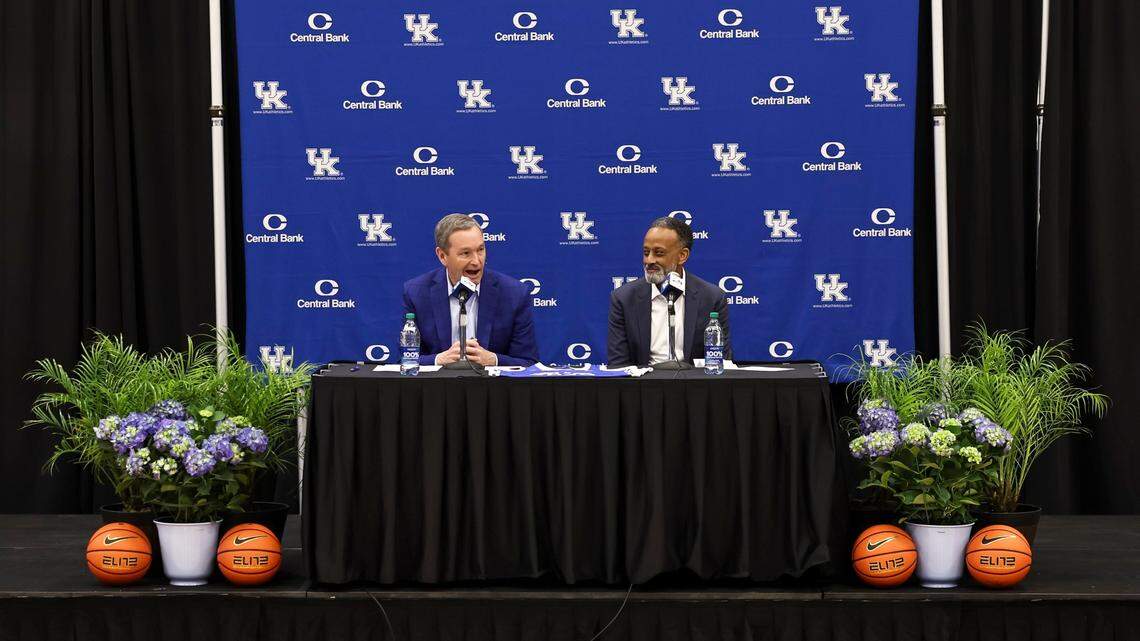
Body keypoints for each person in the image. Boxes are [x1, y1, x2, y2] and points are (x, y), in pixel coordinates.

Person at [403, 214, 539, 366]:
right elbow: (406, 359)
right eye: (465, 253)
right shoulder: (416, 293)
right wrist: (438, 359)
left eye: (480, 250)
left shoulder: (515, 294)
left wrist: (493, 359)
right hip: (438, 387)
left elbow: (528, 362)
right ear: (442, 256)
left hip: (493, 388)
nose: (476, 261)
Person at [607, 216, 731, 367]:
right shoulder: (624, 298)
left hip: (694, 385)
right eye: (646, 253)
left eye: (659, 253)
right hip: (642, 386)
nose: (649, 261)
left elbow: (720, 361)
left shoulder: (712, 298)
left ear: (682, 256)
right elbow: (618, 365)